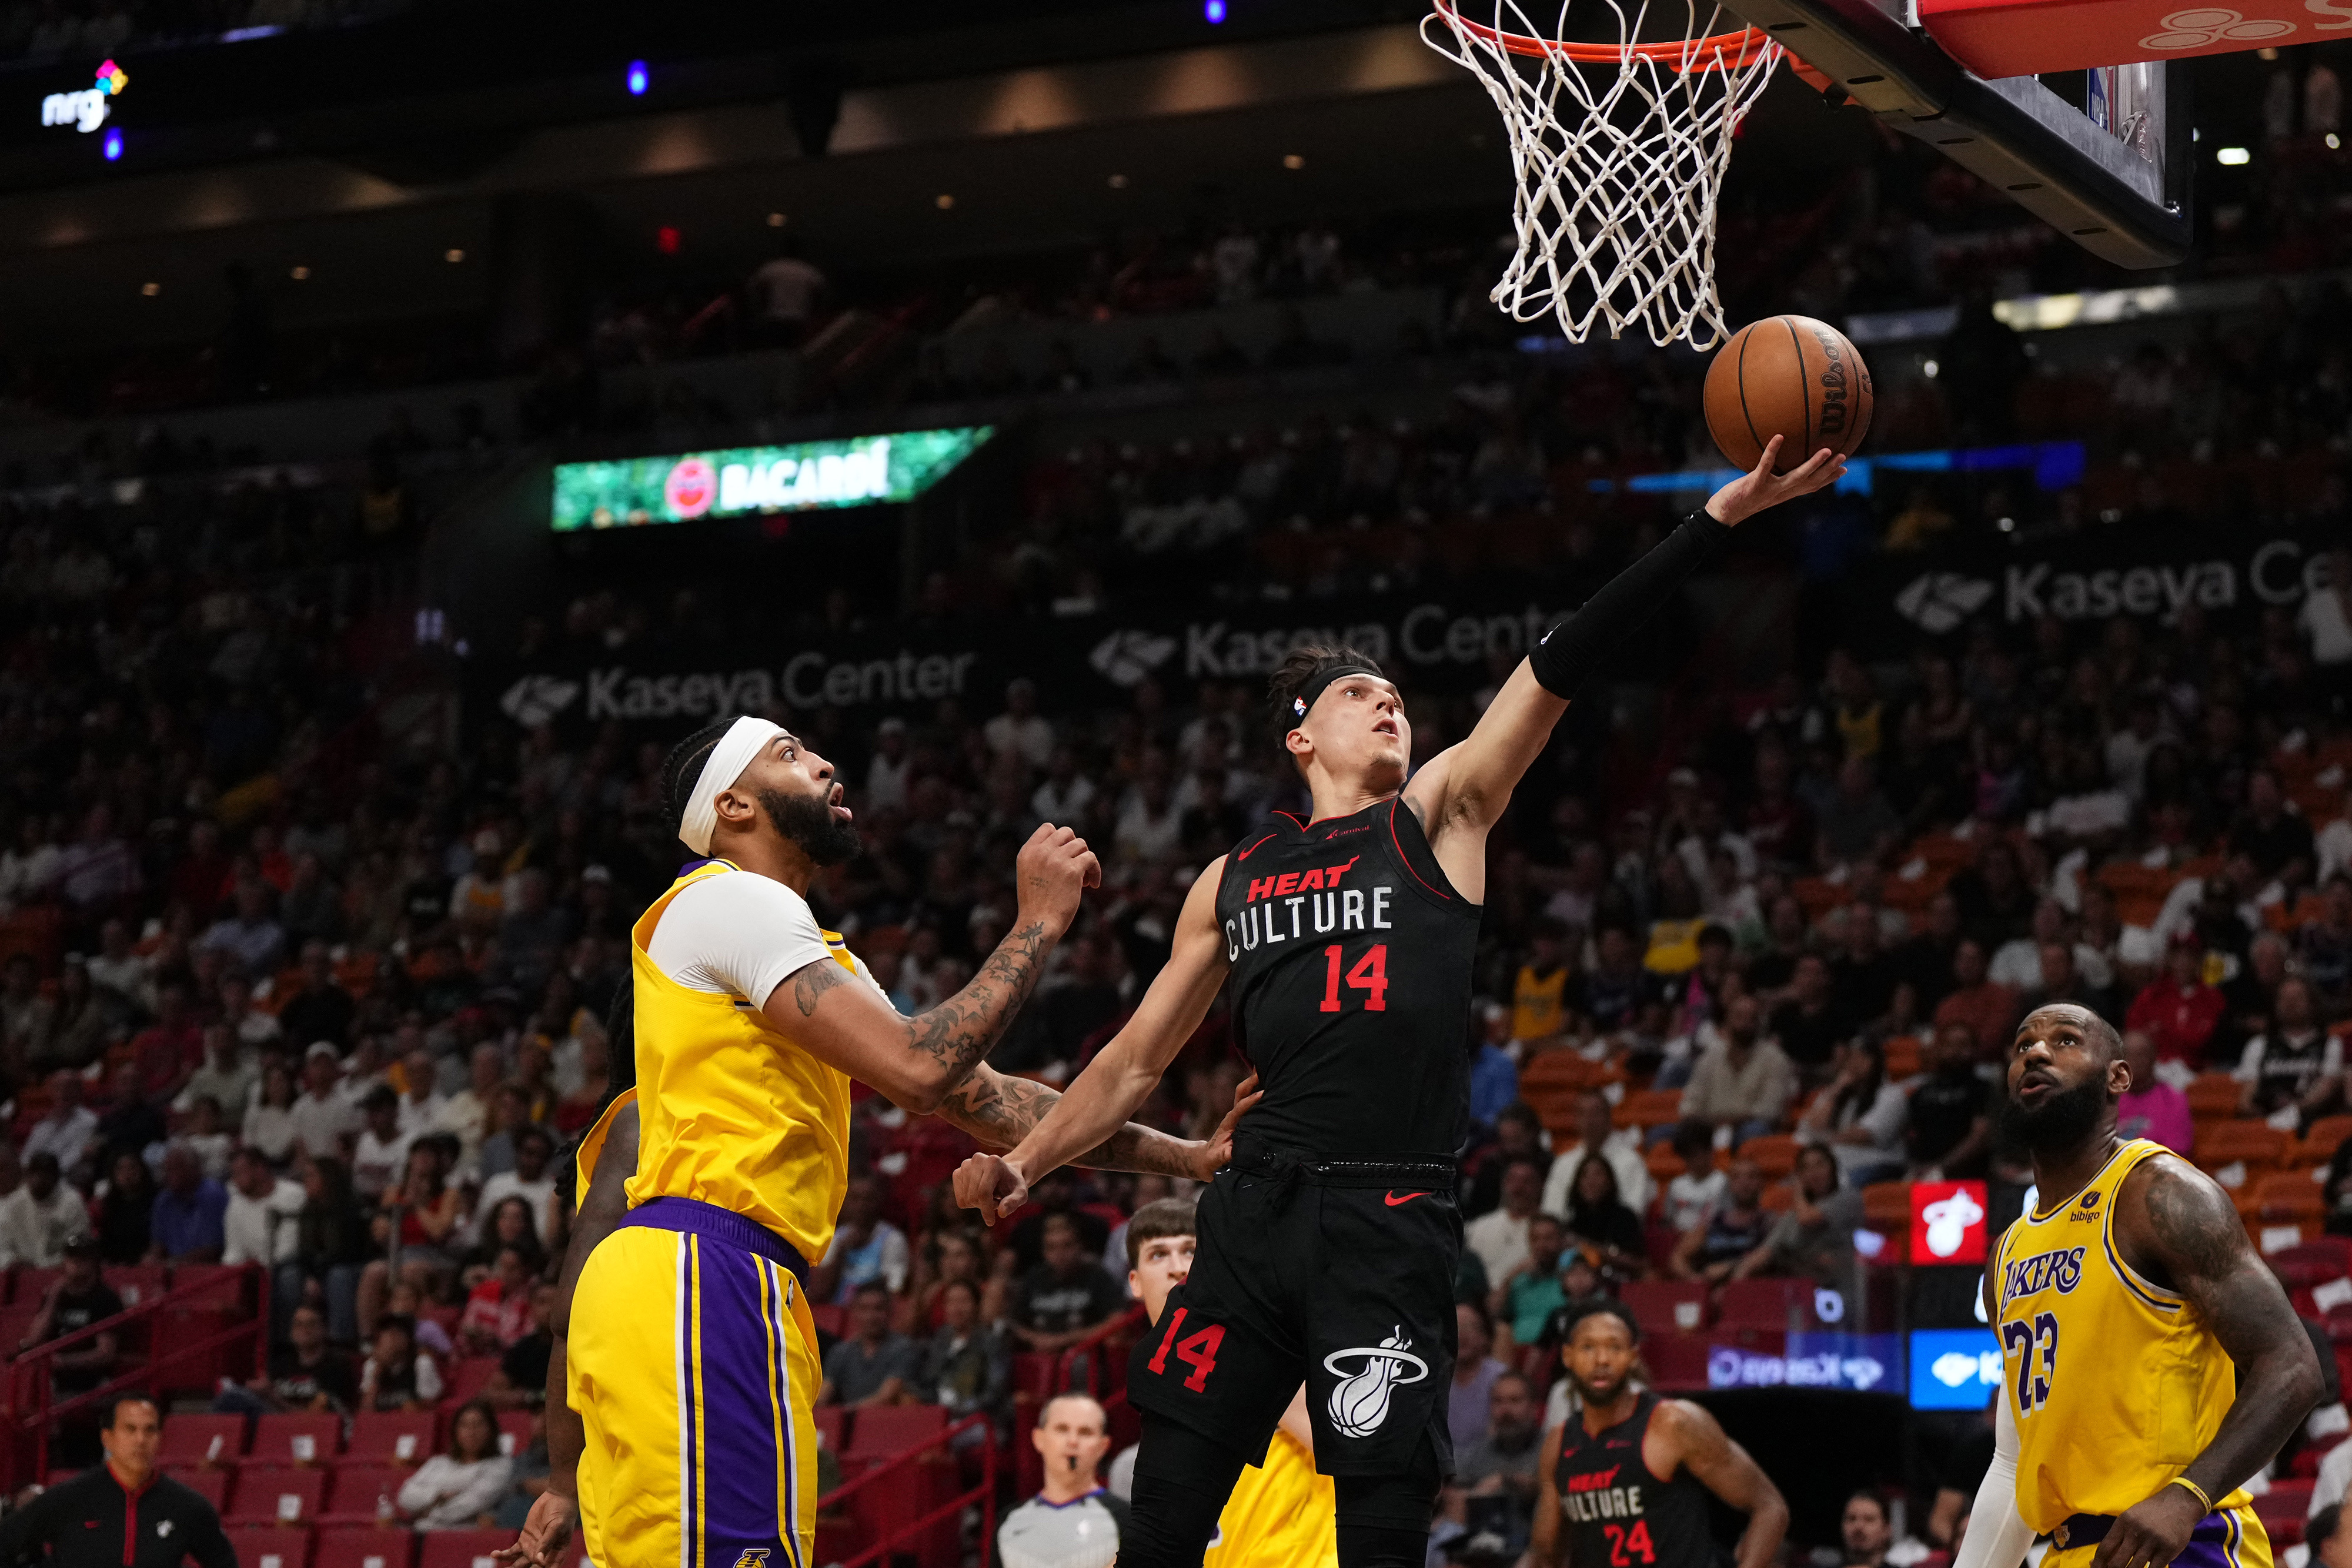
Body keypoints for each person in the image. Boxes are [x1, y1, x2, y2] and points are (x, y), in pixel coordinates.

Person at [957, 442, 1843, 1568]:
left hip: (1388, 1214)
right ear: (1299, 735)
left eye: (1397, 697)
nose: (1389, 705)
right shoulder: (1230, 878)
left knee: (1381, 1531)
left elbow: (1557, 664)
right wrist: (1028, 1165)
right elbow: (1133, 1061)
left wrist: (1714, 519)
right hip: (1255, 1205)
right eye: (1357, 695)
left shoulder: (1440, 815)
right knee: (1169, 1512)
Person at [503, 713, 1245, 1568]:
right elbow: (921, 1068)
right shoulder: (729, 897)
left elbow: (997, 1101)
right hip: (702, 1272)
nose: (822, 760)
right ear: (734, 807)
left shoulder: (800, 957)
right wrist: (1037, 920)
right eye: (787, 753)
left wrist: (1184, 1156)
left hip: (690, 1279)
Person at [1950, 1004, 2325, 1568]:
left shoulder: (2161, 1194)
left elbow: (2294, 1366)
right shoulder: (2005, 1254)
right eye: (2023, 1043)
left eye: (2067, 1040)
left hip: (2183, 1541)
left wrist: (2187, 1496)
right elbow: (2013, 1459)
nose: (2037, 1051)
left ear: (2117, 1077)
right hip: (2069, 1552)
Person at [1107, 1196, 1338, 1568]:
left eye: (1190, 1251)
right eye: (1158, 1255)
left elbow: (1353, 1452)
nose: (1177, 1268)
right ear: (1133, 1281)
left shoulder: (1258, 1348)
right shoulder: (1154, 1368)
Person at [1526, 1302, 1788, 1568]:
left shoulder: (1674, 1423)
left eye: (1615, 1347)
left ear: (1633, 1356)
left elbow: (1770, 1508)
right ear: (1567, 1357)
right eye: (1588, 1347)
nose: (1602, 1360)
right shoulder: (1558, 1444)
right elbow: (1545, 1552)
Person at [0, 1393, 237, 1567]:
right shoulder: (69, 1498)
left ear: (161, 1439)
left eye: (150, 1430)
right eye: (130, 1429)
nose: (140, 1440)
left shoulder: (188, 1507)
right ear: (108, 1438)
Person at [999, 1394, 1129, 1568]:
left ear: (1103, 1446)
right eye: (1062, 1429)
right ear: (1039, 1439)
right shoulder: (1009, 1521)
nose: (1073, 1441)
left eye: (1085, 1432)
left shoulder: (1127, 1520)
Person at [1439, 1371, 1545, 1563]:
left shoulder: (1547, 1449)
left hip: (1532, 1546)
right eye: (1498, 1402)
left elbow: (1541, 1488)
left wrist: (1505, 1480)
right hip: (1482, 1548)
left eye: (1515, 1401)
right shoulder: (1478, 1453)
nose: (1506, 1410)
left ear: (1534, 1408)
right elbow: (1455, 1495)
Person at [1732, 1145, 1862, 1281]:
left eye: (1820, 1164)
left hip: (1845, 1285)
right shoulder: (1791, 1217)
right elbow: (1764, 1253)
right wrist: (1734, 1283)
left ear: (1833, 1168)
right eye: (1807, 1168)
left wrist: (1798, 1191)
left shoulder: (1848, 1198)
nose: (1814, 1173)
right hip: (1803, 1288)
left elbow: (1808, 1219)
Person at [214, 1301, 357, 1415]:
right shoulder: (282, 1364)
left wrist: (273, 1397)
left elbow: (319, 1418)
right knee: (232, 1397)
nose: (304, 1330)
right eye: (298, 1325)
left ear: (324, 1330)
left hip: (308, 1429)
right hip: (275, 1424)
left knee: (233, 1398)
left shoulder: (336, 1365)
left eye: (311, 1324)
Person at [400, 1398, 515, 1530]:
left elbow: (469, 1505)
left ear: (491, 1430)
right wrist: (438, 1496)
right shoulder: (438, 1463)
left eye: (478, 1425)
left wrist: (426, 1513)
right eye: (464, 1425)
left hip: (460, 1537)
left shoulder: (500, 1466)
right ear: (455, 1431)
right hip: (419, 1531)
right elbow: (405, 1496)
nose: (471, 1432)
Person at [1539, 1090, 1653, 1221]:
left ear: (1608, 1117)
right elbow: (1551, 1213)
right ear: (1576, 1120)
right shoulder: (1563, 1163)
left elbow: (1634, 1213)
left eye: (1595, 1113)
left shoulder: (1630, 1162)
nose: (1589, 1120)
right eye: (1583, 1114)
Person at [918, 1276, 1010, 1437]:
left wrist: (956, 1411)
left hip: (979, 1421)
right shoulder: (942, 1339)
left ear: (977, 1305)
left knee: (938, 1440)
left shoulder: (991, 1342)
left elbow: (994, 1393)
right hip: (941, 1417)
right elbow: (930, 1382)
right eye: (951, 1302)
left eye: (964, 1301)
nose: (956, 1308)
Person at [1669, 1156, 1772, 1284]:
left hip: (1751, 1290)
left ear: (1762, 1183)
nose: (1744, 1182)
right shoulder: (1713, 1221)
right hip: (1713, 1288)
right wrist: (1696, 1281)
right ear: (1729, 1185)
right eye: (1737, 1177)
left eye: (1752, 1177)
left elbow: (1769, 1260)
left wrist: (1730, 1268)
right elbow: (1678, 1258)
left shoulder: (1769, 1221)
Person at [818, 1281, 921, 1407]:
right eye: (864, 1309)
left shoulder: (904, 1348)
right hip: (846, 1421)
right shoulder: (840, 1352)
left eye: (878, 1309)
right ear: (854, 1312)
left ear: (890, 1312)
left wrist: (843, 1414)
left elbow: (887, 1397)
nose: (871, 1317)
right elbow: (823, 1397)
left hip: (886, 1421)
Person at [0, 1149, 89, 1267]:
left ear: (56, 1178)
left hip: (62, 1270)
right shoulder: (12, 1204)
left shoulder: (72, 1203)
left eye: (45, 1175)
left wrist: (46, 1266)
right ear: (27, 1176)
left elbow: (79, 1245)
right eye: (34, 1174)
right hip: (22, 1273)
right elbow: (3, 1247)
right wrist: (11, 1262)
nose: (38, 1180)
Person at [2115, 1029, 2193, 1154]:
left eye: (2141, 1054)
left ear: (2154, 1058)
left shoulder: (2173, 1100)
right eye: (2128, 1055)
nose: (2135, 1061)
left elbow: (2176, 1154)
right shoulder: (2107, 1100)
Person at [358, 1313, 443, 1412]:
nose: (382, 1340)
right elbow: (365, 1414)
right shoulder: (372, 1366)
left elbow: (429, 1410)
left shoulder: (421, 1363)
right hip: (380, 1424)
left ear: (405, 1341)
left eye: (394, 1334)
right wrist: (376, 1378)